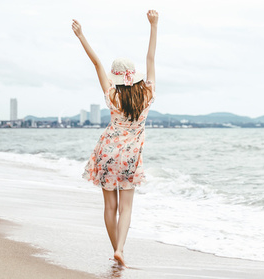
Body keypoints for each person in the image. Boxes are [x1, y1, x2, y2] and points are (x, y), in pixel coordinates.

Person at [73, 9, 159, 267]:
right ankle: (120, 248)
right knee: (127, 208)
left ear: (116, 77)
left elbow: (97, 63)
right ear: (134, 77)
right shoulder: (147, 94)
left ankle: (117, 253)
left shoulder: (112, 94)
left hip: (108, 153)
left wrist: (81, 35)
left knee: (109, 207)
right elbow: (150, 57)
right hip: (131, 157)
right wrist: (154, 25)